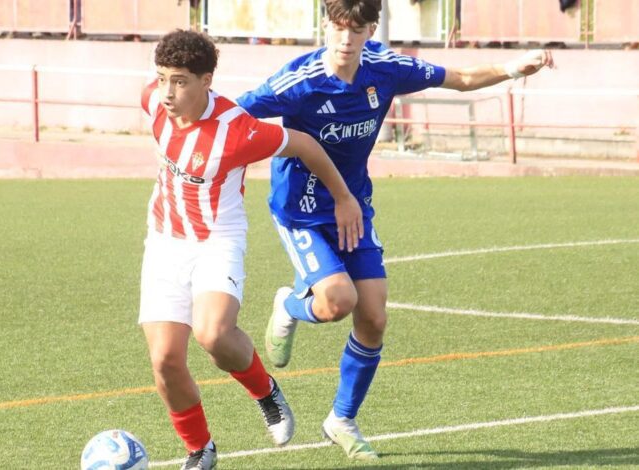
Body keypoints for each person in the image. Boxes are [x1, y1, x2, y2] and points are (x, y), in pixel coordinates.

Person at [236, 0, 554, 461]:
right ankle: (288, 304)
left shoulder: (385, 68)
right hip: (301, 211)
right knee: (337, 303)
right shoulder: (297, 82)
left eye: (358, 29)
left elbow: (460, 79)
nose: (347, 39)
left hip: (355, 209)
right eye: (339, 28)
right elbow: (235, 113)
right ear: (326, 26)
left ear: (371, 29)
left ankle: (341, 420)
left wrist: (511, 67)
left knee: (375, 317)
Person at [138, 29, 363, 470]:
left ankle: (266, 392)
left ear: (206, 81)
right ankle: (200, 451)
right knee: (164, 359)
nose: (167, 91)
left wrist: (342, 197)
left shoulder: (237, 131)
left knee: (214, 334)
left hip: (217, 241)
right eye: (162, 77)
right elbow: (158, 98)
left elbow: (304, 144)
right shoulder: (152, 101)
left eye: (180, 81)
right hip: (164, 240)